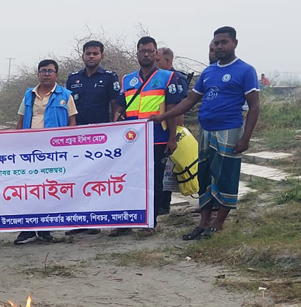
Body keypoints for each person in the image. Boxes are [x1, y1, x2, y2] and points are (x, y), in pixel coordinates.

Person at [151, 26, 260, 240]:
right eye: (216, 43)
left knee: (225, 176)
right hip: (206, 131)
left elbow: (254, 107)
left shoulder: (245, 70)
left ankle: (217, 224)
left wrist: (245, 138)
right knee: (205, 176)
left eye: (223, 42)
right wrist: (162, 117)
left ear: (234, 43)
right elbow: (190, 101)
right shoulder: (209, 72)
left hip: (229, 129)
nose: (219, 46)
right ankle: (202, 224)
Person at [112, 36, 186, 236]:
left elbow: (173, 109)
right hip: (131, 141)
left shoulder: (168, 78)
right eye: (143, 50)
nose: (146, 54)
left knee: (153, 182)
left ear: (156, 54)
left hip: (157, 137)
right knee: (128, 180)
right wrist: (116, 116)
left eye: (150, 51)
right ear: (137, 53)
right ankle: (126, 220)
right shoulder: (127, 79)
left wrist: (172, 138)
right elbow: (120, 104)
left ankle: (149, 222)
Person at [13, 59, 78, 244]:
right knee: (28, 189)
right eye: (43, 71)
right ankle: (26, 230)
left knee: (48, 189)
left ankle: (44, 229)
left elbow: (72, 123)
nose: (46, 74)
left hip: (54, 151)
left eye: (50, 71)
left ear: (56, 74)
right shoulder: (28, 95)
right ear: (38, 74)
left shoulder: (66, 95)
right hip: (29, 151)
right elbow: (21, 121)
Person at [64, 41, 121, 236]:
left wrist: (115, 128)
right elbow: (68, 107)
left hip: (99, 136)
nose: (91, 56)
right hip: (76, 136)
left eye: (95, 53)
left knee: (96, 178)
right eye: (88, 53)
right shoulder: (73, 79)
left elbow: (115, 104)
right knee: (78, 177)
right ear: (82, 56)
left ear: (101, 56)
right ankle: (80, 220)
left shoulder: (109, 77)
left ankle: (95, 220)